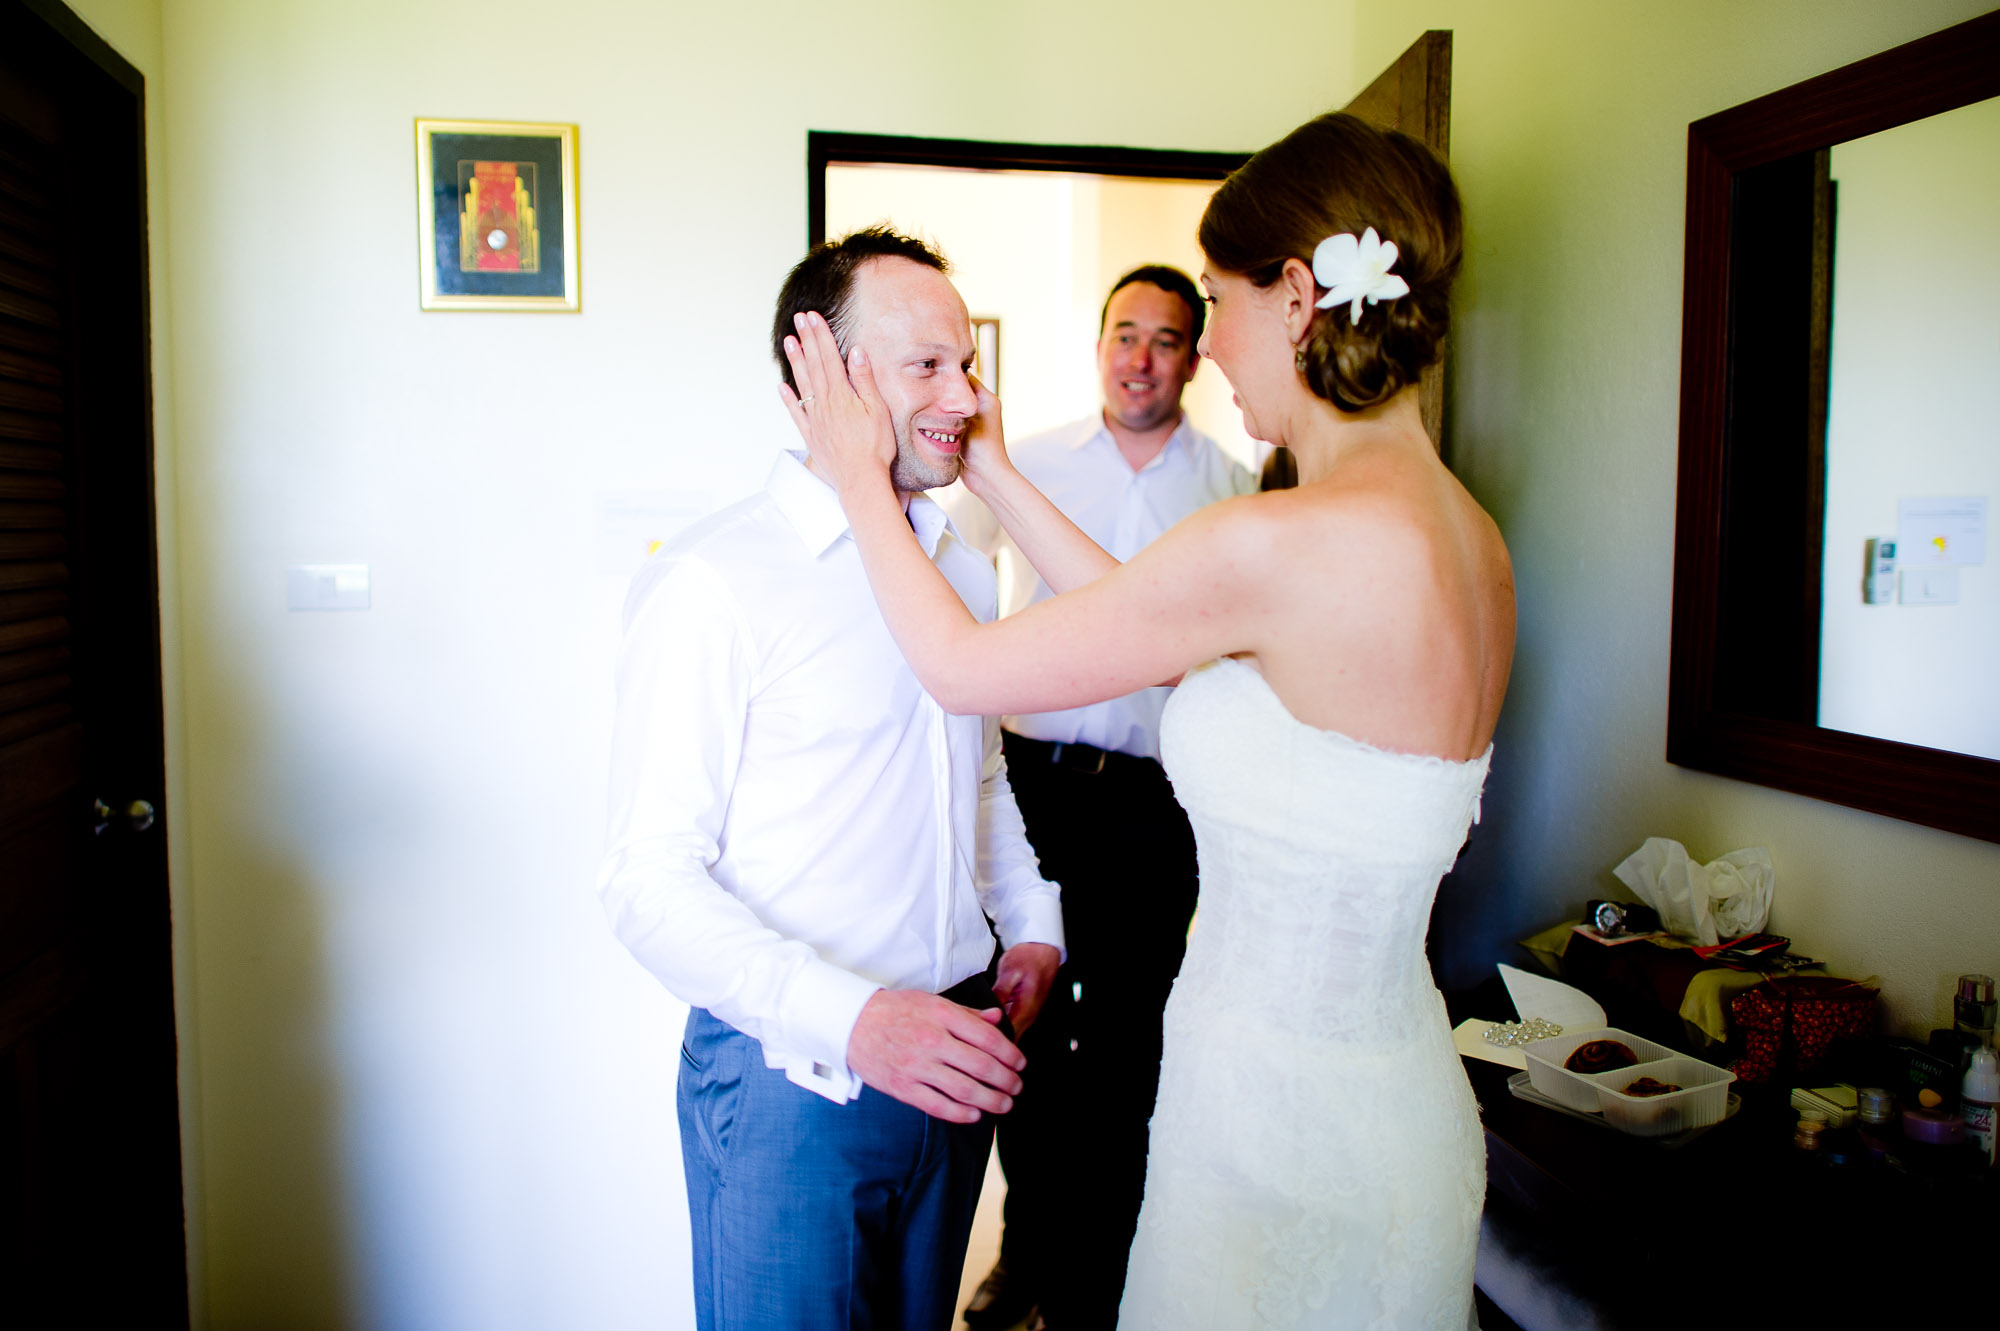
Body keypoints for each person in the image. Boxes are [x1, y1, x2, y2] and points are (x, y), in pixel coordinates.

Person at [779, 112, 1513, 1329]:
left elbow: (961, 666)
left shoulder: (1276, 535)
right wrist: (995, 467)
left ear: (1296, 296)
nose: (1206, 346)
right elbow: (1152, 619)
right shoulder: (1466, 537)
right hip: (1396, 1093)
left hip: (1273, 1120)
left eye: (1215, 304)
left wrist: (858, 474)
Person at [597, 226, 1066, 1331]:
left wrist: (1031, 922)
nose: (966, 395)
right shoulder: (714, 581)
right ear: (825, 378)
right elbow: (644, 881)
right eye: (927, 365)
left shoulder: (961, 565)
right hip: (792, 1081)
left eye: (966, 363)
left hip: (955, 1061)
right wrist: (854, 1021)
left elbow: (980, 776)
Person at [949, 266, 1255, 1331]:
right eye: (1125, 333)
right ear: (1097, 347)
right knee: (1020, 1023)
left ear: (1193, 358)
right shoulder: (1023, 465)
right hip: (1031, 793)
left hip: (1155, 806)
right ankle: (1025, 1249)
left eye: (1165, 339)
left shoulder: (1234, 490)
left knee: (1130, 1037)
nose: (1140, 358)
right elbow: (954, 576)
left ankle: (1105, 1273)